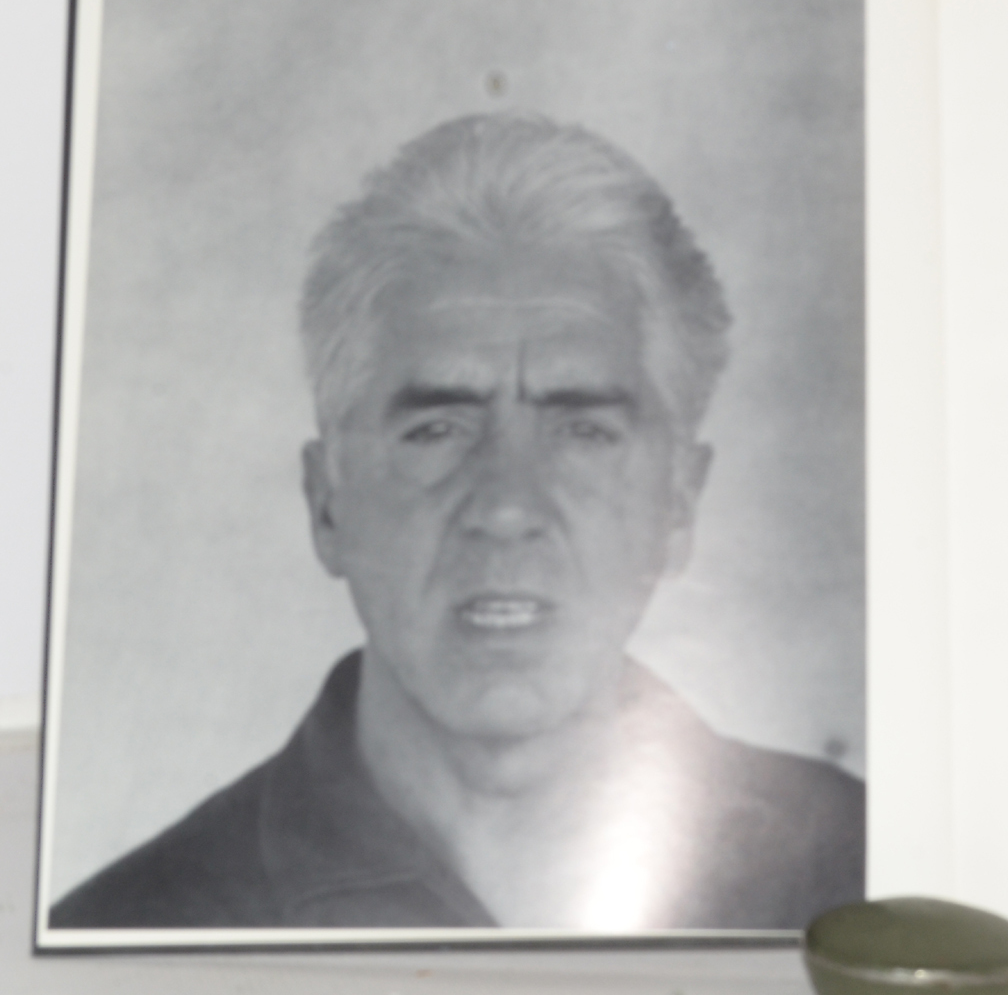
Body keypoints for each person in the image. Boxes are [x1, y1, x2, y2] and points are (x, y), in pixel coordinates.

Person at [50, 113, 864, 931]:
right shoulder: (132, 933)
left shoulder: (855, 871)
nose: (506, 508)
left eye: (582, 431)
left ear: (678, 504)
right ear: (327, 503)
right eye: (437, 429)